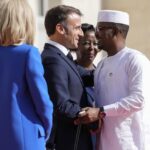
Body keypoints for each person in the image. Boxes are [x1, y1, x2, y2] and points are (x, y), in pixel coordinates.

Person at [75, 10, 150, 150]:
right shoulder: (102, 64)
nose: (96, 34)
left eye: (101, 29)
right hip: (104, 144)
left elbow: (139, 100)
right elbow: (99, 103)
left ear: (115, 31)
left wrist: (100, 111)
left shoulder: (135, 60)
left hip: (131, 144)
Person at [0, 0, 53, 150]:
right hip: (26, 137)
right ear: (26, 22)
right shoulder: (28, 53)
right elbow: (43, 102)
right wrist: (45, 130)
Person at [41, 5, 93, 150]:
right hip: (67, 143)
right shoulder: (52, 59)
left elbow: (88, 77)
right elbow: (61, 105)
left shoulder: (63, 57)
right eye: (77, 28)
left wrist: (115, 65)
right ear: (60, 29)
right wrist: (92, 115)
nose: (81, 34)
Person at [75, 23, 100, 150]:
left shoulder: (102, 71)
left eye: (95, 43)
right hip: (81, 140)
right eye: (86, 43)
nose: (91, 48)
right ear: (76, 45)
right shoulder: (70, 72)